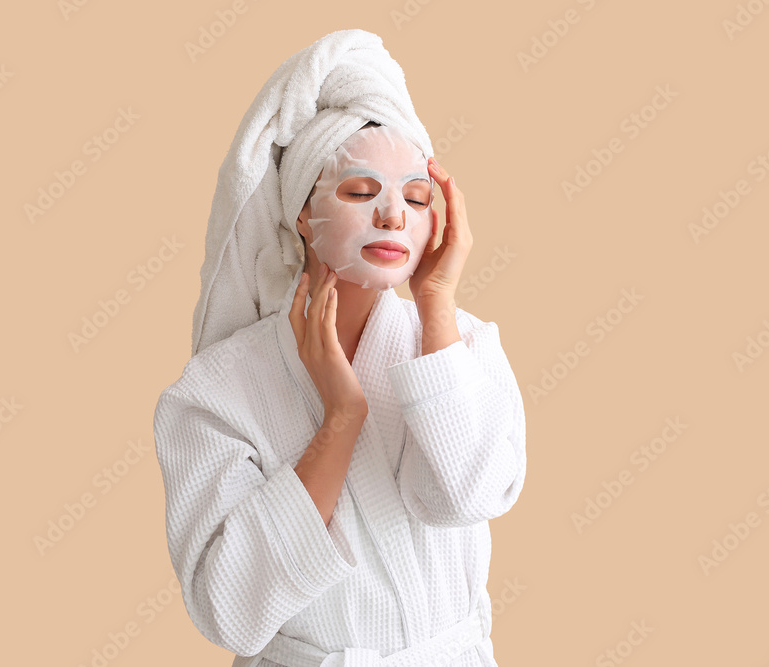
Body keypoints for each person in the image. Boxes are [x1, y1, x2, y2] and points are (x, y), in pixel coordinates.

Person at [153, 30, 526, 667]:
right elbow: (228, 609)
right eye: (360, 191)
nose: (393, 215)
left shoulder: (464, 345)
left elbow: (472, 497)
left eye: (415, 198)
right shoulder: (214, 391)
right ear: (302, 212)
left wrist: (436, 302)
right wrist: (340, 419)